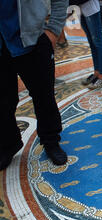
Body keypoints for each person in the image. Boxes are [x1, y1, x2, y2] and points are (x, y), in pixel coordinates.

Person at [0, 0, 69, 171]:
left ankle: (51, 140)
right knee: (2, 100)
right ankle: (8, 144)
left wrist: (53, 30)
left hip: (33, 40)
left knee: (43, 95)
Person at [77, 0, 102, 89]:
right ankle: (97, 72)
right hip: (81, 8)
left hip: (91, 8)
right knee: (92, 42)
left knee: (98, 41)